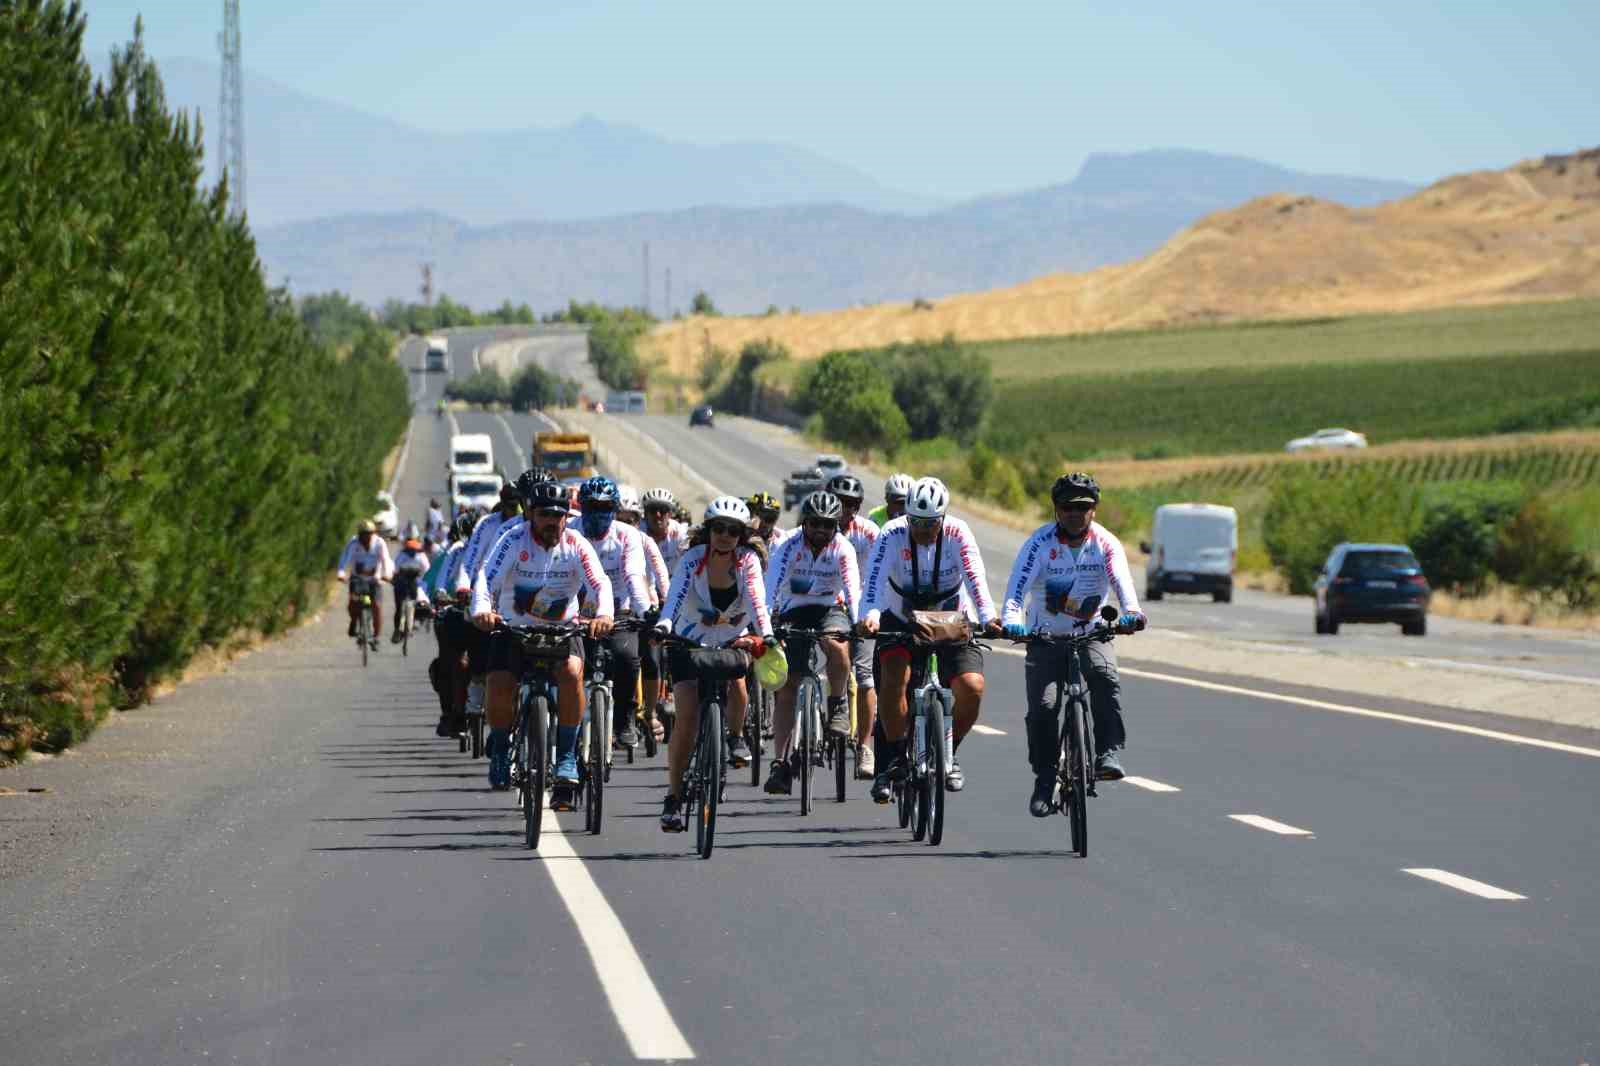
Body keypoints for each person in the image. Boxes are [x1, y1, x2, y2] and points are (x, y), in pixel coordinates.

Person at [1002, 472, 1146, 816]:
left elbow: (1125, 588)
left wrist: (1132, 614)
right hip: (1044, 637)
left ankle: (1107, 753)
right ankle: (1044, 777)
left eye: (1083, 507)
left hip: (1092, 632)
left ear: (1094, 510)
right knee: (1044, 707)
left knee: (1104, 674)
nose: (1075, 514)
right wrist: (1012, 622)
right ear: (1056, 510)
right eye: (1067, 507)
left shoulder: (1106, 544)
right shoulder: (1039, 544)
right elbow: (1014, 593)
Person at [473, 479, 613, 801]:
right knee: (499, 680)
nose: (553, 521)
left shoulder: (576, 544)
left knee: (572, 673)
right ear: (531, 514)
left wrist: (604, 615)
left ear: (567, 517)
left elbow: (599, 582)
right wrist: (482, 610)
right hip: (514, 628)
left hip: (563, 630)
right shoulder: (512, 540)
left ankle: (565, 756)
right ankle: (499, 749)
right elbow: (487, 578)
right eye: (545, 514)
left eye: (559, 515)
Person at [859, 477, 999, 799]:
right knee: (894, 679)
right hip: (901, 618)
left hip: (950, 619)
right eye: (917, 523)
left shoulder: (959, 533)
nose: (923, 530)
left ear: (944, 518)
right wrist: (870, 616)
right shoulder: (891, 534)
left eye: (931, 523)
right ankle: (894, 758)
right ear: (907, 516)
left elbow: (975, 577)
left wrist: (988, 616)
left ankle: (950, 752)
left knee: (972, 686)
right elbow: (874, 581)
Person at [653, 496, 774, 831]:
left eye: (733, 531)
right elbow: (675, 596)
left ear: (741, 536)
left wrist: (766, 634)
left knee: (738, 685)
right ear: (708, 531)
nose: (725, 536)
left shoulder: (747, 561)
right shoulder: (693, 558)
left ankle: (734, 737)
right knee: (687, 718)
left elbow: (756, 599)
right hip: (687, 639)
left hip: (732, 638)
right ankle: (674, 797)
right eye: (718, 529)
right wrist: (663, 625)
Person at [762, 491, 860, 794]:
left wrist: (857, 624)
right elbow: (770, 588)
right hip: (794, 610)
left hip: (829, 607)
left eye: (828, 525)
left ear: (836, 526)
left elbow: (853, 589)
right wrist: (765, 624)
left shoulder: (843, 548)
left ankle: (838, 704)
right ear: (805, 522)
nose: (821, 530)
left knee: (837, 645)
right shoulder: (787, 545)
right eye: (815, 523)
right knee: (789, 685)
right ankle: (779, 763)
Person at [575, 476, 652, 750]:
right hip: (577, 615)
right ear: (581, 508)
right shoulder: (569, 531)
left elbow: (634, 574)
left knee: (628, 657)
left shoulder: (627, 535)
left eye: (604, 507)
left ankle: (625, 717)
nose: (597, 514)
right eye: (591, 507)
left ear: (615, 509)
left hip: (620, 612)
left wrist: (646, 610)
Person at [827, 473, 882, 780]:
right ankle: (812, 727)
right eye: (840, 504)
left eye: (852, 505)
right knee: (831, 658)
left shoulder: (870, 533)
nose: (846, 511)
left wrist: (874, 612)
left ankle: (865, 745)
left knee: (865, 677)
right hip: (829, 607)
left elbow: (883, 573)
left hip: (863, 609)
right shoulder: (819, 529)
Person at [425, 511, 478, 737]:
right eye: (471, 536)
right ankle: (452, 713)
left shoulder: (498, 549)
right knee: (453, 663)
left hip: (489, 617)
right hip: (459, 614)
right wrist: (440, 595)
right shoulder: (456, 551)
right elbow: (440, 580)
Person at [336, 520, 394, 647]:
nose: (366, 537)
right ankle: (354, 620)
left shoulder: (379, 543)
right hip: (357, 578)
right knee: (353, 603)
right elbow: (344, 558)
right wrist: (341, 573)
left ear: (373, 533)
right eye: (363, 534)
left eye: (369, 534)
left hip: (374, 580)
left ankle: (376, 636)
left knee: (377, 607)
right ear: (359, 534)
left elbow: (386, 560)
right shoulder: (354, 543)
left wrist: (387, 575)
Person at [390, 523, 431, 643]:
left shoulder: (413, 555)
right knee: (399, 607)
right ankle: (399, 629)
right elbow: (395, 570)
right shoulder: (408, 554)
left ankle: (406, 626)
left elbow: (426, 571)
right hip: (404, 585)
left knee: (418, 604)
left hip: (413, 586)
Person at [746, 492, 788, 556]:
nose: (763, 524)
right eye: (757, 517)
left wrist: (764, 554)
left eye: (769, 519)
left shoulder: (782, 541)